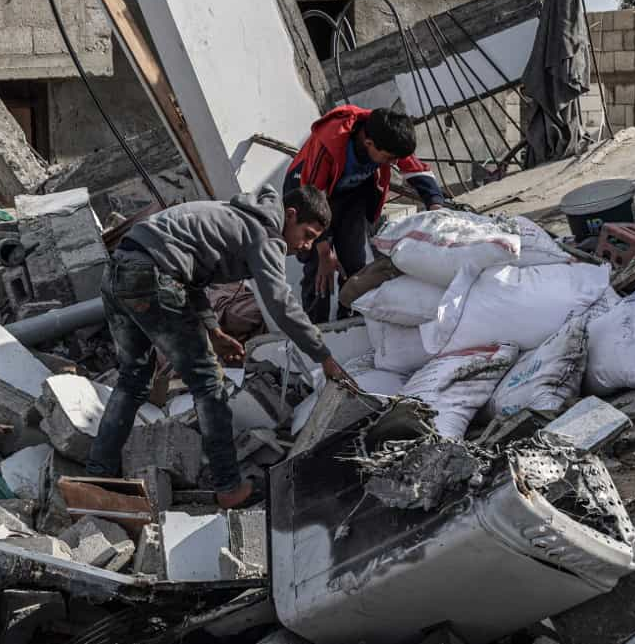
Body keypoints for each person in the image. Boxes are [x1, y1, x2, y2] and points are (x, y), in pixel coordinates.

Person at [85, 184, 352, 509]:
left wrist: (213, 331)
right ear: (291, 215)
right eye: (307, 234)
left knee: (133, 378)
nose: (306, 246)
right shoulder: (265, 234)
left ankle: (97, 476)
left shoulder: (234, 216)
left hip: (119, 270)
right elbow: (281, 304)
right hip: (150, 275)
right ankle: (229, 486)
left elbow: (189, 274)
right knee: (209, 384)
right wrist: (324, 356)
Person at [284, 105, 445, 323]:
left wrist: (436, 205)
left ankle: (350, 316)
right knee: (319, 269)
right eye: (389, 159)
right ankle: (317, 326)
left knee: (354, 260)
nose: (392, 164)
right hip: (308, 194)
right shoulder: (329, 143)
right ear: (368, 143)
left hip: (351, 195)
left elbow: (415, 168)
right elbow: (312, 196)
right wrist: (323, 250)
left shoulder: (385, 134)